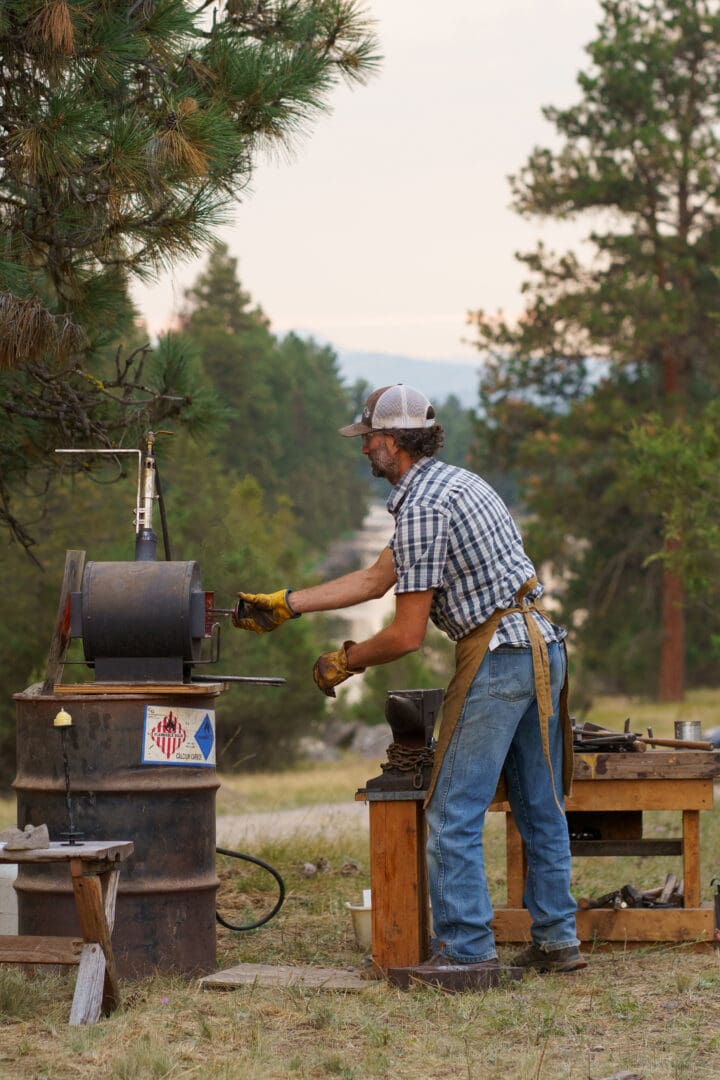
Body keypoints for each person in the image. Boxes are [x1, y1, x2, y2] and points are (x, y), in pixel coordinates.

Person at [232, 383, 584, 975]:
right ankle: (557, 941)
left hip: (498, 655)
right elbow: (376, 580)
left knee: (451, 811)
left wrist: (348, 659)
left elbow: (405, 635)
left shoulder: (421, 506)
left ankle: (466, 954)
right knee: (538, 807)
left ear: (392, 441)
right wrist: (290, 603)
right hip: (540, 646)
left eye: (367, 437)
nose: (363, 446)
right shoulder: (452, 483)